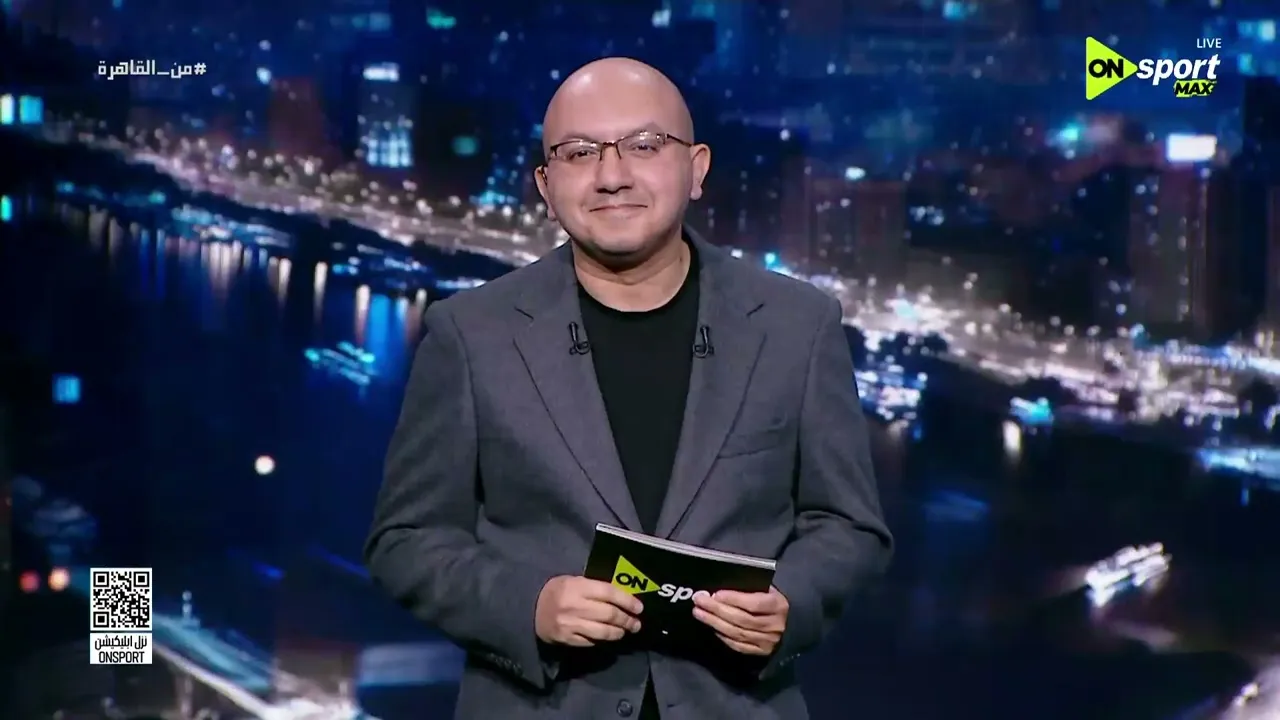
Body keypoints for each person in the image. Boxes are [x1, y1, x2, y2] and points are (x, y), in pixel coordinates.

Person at [364, 57, 892, 719]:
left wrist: (792, 603)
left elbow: (849, 526)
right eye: (579, 153)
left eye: (644, 146)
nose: (612, 176)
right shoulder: (470, 335)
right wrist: (529, 606)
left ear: (697, 168)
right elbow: (406, 540)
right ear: (545, 185)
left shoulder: (797, 327)